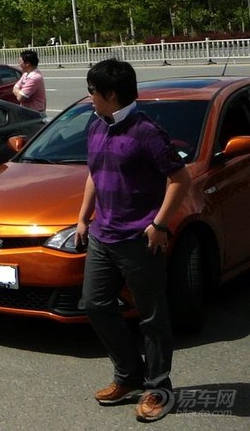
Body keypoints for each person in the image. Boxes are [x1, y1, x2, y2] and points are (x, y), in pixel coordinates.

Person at [74, 58, 192, 423]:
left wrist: (159, 223)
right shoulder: (96, 125)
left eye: (92, 91)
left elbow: (179, 179)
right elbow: (94, 173)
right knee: (94, 304)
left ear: (110, 94)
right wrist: (83, 216)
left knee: (151, 316)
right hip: (102, 235)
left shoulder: (145, 131)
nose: (88, 97)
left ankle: (158, 388)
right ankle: (128, 375)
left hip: (138, 239)